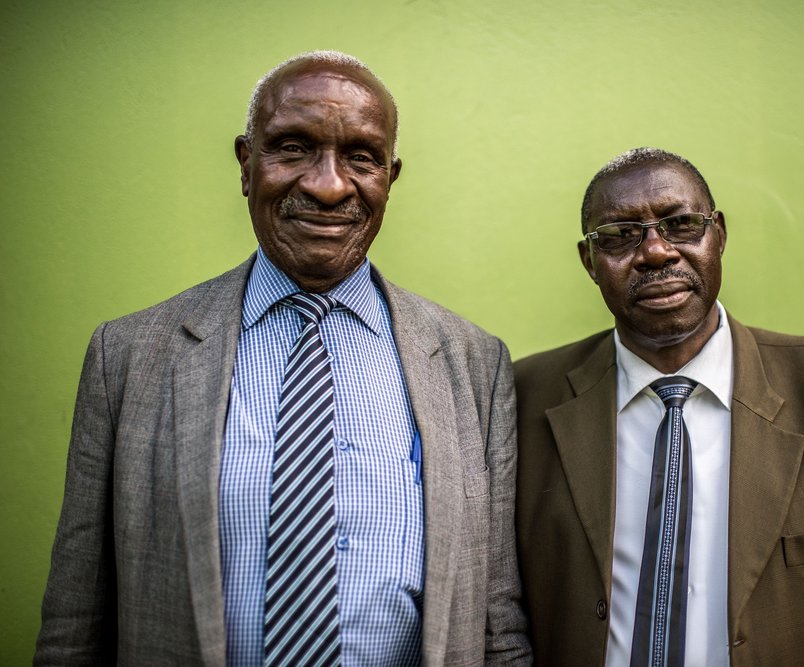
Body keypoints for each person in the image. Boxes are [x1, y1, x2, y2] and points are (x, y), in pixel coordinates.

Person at [35, 50, 530, 666]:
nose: (328, 185)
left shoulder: (473, 365)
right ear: (246, 164)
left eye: (361, 157)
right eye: (293, 148)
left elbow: (497, 623)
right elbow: (75, 625)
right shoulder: (129, 357)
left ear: (390, 177)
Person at [514, 147, 804, 666]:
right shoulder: (523, 397)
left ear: (718, 235)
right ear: (590, 262)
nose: (655, 252)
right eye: (619, 235)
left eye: (680, 224)